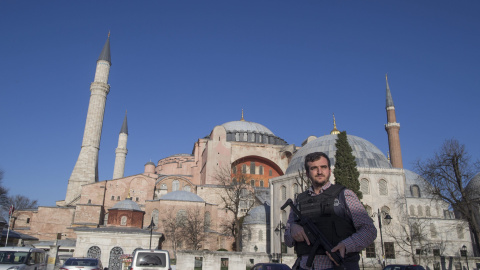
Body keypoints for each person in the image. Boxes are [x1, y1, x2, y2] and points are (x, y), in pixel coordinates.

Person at [284, 152, 377, 270]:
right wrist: (292, 229)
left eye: (323, 167)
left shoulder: (344, 195)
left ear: (329, 170)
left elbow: (369, 230)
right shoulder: (299, 201)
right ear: (307, 173)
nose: (319, 172)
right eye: (314, 168)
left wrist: (346, 245)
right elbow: (287, 240)